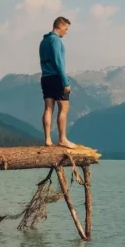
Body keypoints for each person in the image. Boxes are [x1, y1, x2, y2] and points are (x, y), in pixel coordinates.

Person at [39, 16, 76, 148]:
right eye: (66, 29)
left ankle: (48, 139)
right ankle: (62, 139)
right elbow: (58, 61)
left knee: (48, 108)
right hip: (56, 77)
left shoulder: (43, 41)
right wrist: (65, 81)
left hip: (45, 77)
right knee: (64, 108)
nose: (67, 31)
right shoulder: (55, 41)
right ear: (60, 26)